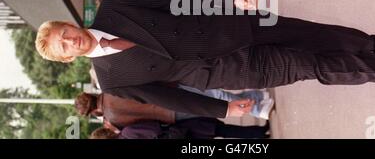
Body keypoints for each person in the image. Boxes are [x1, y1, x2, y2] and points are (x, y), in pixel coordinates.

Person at [35, 0, 375, 118]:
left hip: (228, 26)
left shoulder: (112, 8)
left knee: (307, 32)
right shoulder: (112, 80)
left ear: (68, 24)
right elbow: (167, 97)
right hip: (226, 70)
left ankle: (373, 43)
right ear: (67, 59)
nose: (71, 41)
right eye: (63, 48)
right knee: (309, 64)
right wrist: (223, 111)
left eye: (64, 34)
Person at [75, 88, 273, 128]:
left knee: (213, 104)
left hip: (171, 116)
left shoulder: (113, 120)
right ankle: (255, 102)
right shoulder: (112, 89)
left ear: (93, 112)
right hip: (168, 93)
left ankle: (255, 101)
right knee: (212, 96)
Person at [90, 118, 270, 139]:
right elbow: (153, 128)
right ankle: (258, 133)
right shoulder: (127, 133)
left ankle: (258, 137)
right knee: (219, 129)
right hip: (179, 132)